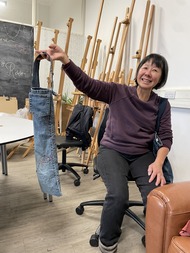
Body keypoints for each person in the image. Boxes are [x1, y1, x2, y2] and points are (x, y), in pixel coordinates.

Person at [36, 44, 173, 253]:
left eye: (155, 70)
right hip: (113, 151)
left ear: (160, 78)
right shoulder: (117, 91)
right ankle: (108, 241)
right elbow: (86, 84)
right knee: (118, 195)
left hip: (142, 155)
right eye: (145, 67)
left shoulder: (162, 105)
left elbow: (165, 137)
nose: (148, 73)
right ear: (138, 72)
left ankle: (154, 236)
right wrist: (65, 60)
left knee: (157, 194)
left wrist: (158, 161)